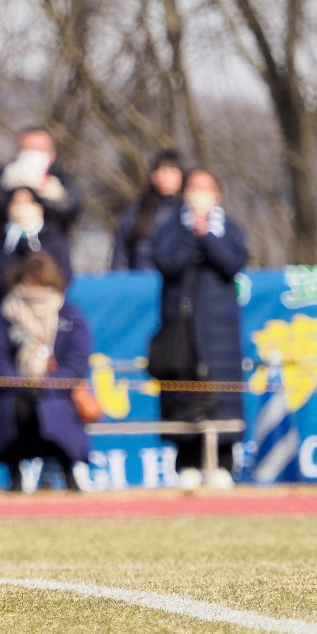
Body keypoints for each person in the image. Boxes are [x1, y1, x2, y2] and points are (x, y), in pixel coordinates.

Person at [151, 168, 248, 490]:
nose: (199, 194)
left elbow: (233, 263)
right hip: (181, 329)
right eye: (194, 187)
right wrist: (191, 235)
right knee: (184, 393)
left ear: (217, 194)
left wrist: (207, 236)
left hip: (220, 328)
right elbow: (166, 263)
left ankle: (223, 461)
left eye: (206, 187)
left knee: (221, 392)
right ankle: (187, 462)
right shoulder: (170, 228)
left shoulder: (229, 229)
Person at [0, 253, 91, 491]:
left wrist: (48, 384)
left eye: (38, 283)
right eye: (27, 282)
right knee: (16, 409)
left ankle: (65, 473)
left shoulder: (70, 315)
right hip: (13, 391)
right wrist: (24, 384)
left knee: (52, 411)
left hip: (57, 393)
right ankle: (15, 478)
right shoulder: (5, 313)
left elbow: (77, 363)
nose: (32, 289)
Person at [0, 187, 73, 305]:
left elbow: (63, 277)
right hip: (6, 311)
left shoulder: (53, 239)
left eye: (27, 202)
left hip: (48, 312)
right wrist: (15, 285)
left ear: (39, 207)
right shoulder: (1, 240)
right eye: (17, 202)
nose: (21, 208)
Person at [0, 127, 81, 234]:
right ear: (16, 152)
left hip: (51, 246)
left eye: (38, 149)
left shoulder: (63, 180)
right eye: (27, 149)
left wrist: (37, 194)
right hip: (6, 245)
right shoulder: (2, 177)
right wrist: (14, 191)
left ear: (52, 153)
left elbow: (69, 208)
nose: (32, 154)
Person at [111, 150, 184, 271]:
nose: (164, 176)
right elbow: (121, 250)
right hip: (140, 281)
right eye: (159, 171)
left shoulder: (188, 212)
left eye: (171, 171)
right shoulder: (137, 210)